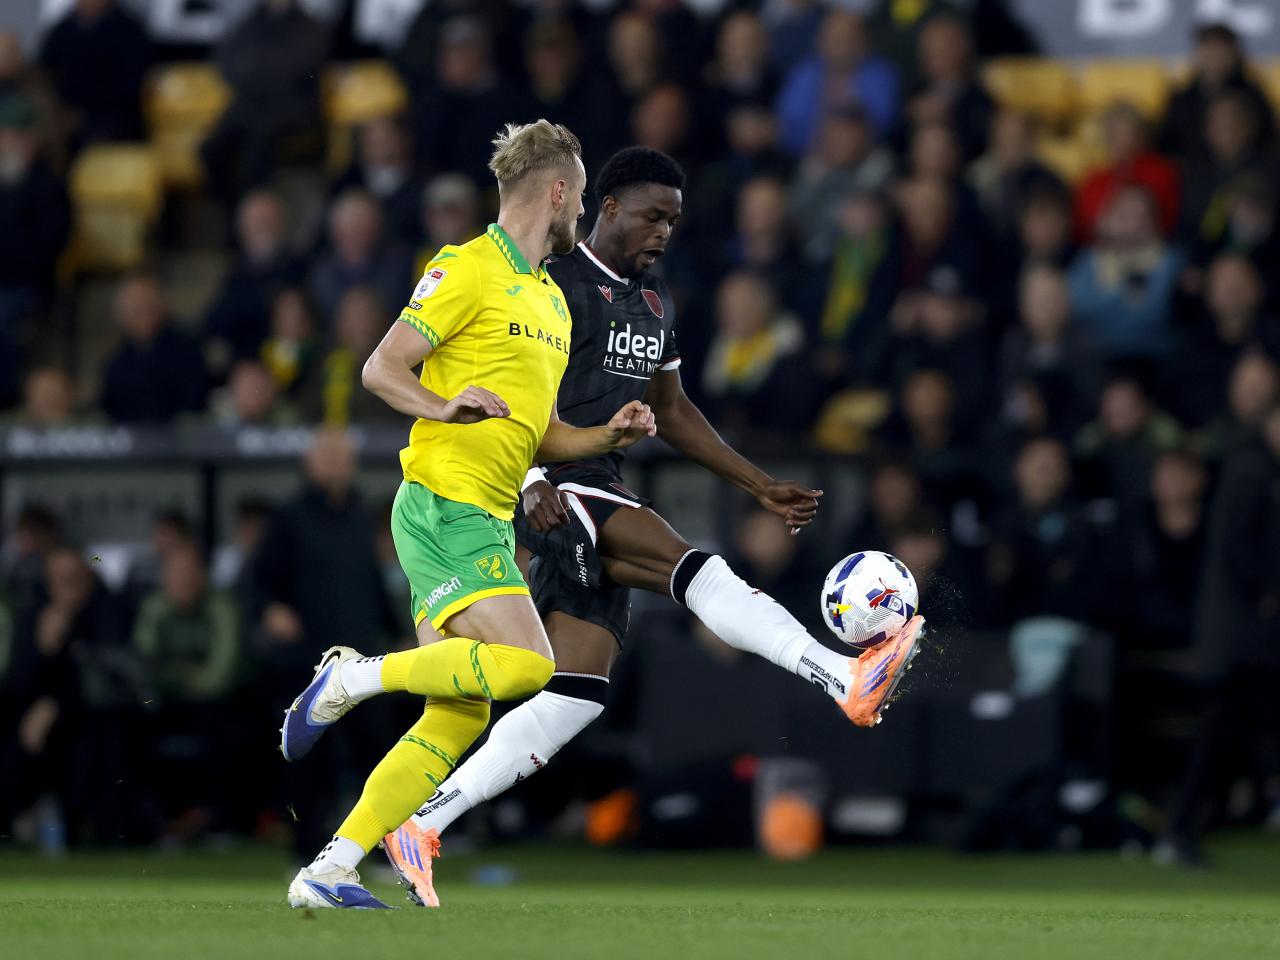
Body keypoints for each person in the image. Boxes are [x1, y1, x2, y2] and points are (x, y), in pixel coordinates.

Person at [379, 147, 924, 907]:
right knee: (691, 565)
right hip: (541, 485)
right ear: (605, 208)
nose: (663, 231)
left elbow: (673, 413)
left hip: (594, 478)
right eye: (651, 215)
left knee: (573, 695)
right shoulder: (549, 282)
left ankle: (423, 824)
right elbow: (501, 387)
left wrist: (758, 483)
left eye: (673, 219)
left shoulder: (653, 301)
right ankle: (841, 676)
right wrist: (532, 478)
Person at [280, 120, 656, 909]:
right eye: (582, 198)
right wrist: (441, 404)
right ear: (556, 192)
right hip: (441, 502)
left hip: (486, 515)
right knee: (531, 666)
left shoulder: (552, 302)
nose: (583, 215)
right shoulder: (465, 268)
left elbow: (540, 432)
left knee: (457, 714)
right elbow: (384, 368)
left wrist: (606, 432)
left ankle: (329, 869)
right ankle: (351, 677)